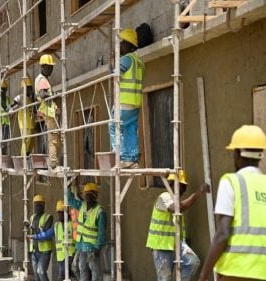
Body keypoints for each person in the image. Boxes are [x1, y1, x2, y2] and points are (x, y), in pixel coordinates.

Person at [198, 125, 266, 281]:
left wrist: (203, 275)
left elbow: (223, 234)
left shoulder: (231, 182)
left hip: (236, 272)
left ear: (237, 153)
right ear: (261, 155)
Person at [146, 170, 210, 281]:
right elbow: (177, 208)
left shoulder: (177, 201)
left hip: (177, 244)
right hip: (161, 246)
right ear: (171, 184)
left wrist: (184, 240)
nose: (183, 190)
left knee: (193, 262)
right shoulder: (164, 197)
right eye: (181, 186)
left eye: (184, 187)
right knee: (165, 278)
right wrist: (198, 193)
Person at [109, 28, 145, 168]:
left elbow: (115, 73)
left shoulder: (126, 59)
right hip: (134, 102)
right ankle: (132, 159)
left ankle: (121, 157)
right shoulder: (139, 62)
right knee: (130, 129)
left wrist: (113, 59)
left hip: (123, 102)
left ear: (130, 45)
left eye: (122, 42)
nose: (119, 45)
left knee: (114, 126)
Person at [68, 182, 107, 281]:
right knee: (82, 271)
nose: (88, 196)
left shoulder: (100, 212)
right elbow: (70, 200)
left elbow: (102, 233)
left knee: (95, 273)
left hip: (92, 248)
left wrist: (97, 248)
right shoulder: (82, 206)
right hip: (81, 246)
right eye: (87, 194)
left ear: (96, 196)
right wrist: (68, 186)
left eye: (91, 194)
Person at [35, 54, 61, 173]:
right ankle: (53, 164)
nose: (51, 70)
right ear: (43, 66)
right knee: (53, 139)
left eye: (52, 67)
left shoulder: (42, 79)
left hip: (49, 112)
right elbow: (42, 94)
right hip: (48, 112)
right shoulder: (42, 79)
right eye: (49, 67)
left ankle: (54, 162)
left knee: (55, 138)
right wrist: (53, 95)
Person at [26, 195, 53, 281]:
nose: (36, 207)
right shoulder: (32, 217)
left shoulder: (48, 217)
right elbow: (30, 231)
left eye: (39, 205)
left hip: (44, 251)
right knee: (36, 275)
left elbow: (45, 232)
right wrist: (27, 227)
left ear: (43, 205)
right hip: (34, 250)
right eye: (35, 205)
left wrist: (32, 227)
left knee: (41, 272)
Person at [10, 77, 36, 156]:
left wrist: (34, 99)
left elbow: (34, 110)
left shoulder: (31, 99)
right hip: (23, 123)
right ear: (23, 88)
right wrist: (10, 110)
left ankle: (27, 154)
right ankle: (23, 158)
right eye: (28, 88)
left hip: (31, 122)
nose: (30, 90)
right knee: (25, 140)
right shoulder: (20, 97)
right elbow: (11, 105)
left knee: (31, 140)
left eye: (30, 88)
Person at [54, 200, 76, 281]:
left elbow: (76, 238)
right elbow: (48, 234)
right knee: (64, 276)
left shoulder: (72, 224)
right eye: (58, 212)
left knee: (63, 276)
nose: (59, 214)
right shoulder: (56, 225)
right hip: (60, 257)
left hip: (71, 254)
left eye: (61, 212)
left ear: (66, 213)